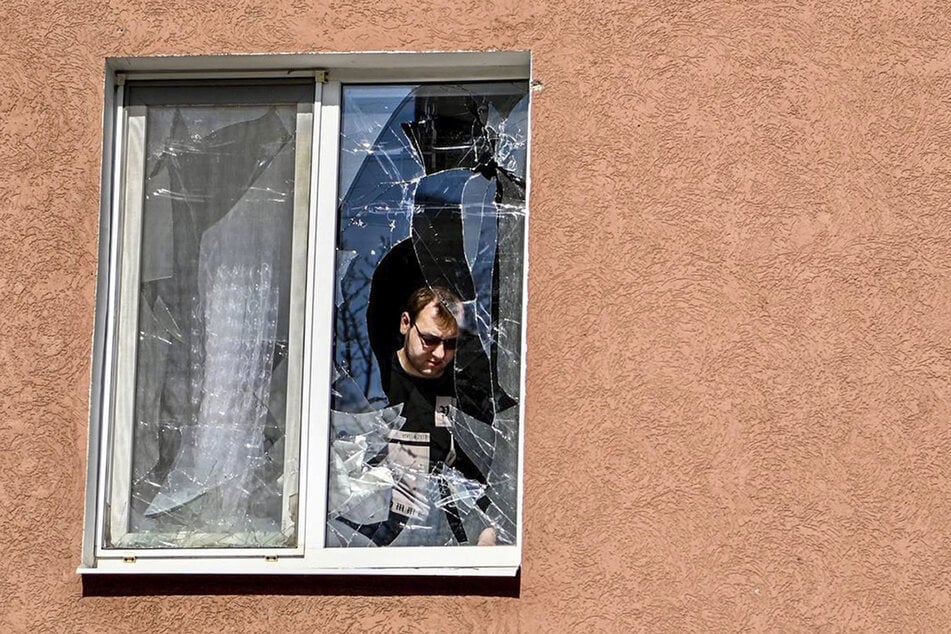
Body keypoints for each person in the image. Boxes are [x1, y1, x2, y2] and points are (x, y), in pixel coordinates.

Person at [369, 285, 497, 546]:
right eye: (430, 340)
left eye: (450, 344)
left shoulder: (466, 389)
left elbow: (482, 471)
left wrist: (487, 529)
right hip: (376, 535)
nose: (440, 354)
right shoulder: (373, 379)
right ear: (406, 323)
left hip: (445, 536)